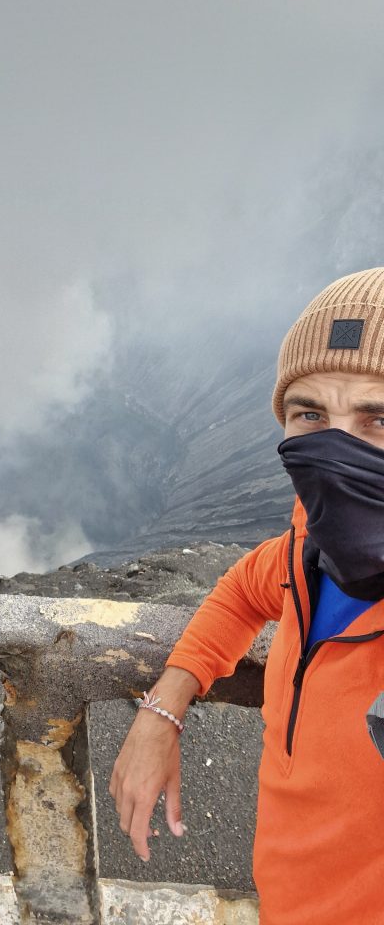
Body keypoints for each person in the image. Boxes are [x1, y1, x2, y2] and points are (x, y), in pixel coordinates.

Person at [110, 267, 384, 925]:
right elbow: (240, 593)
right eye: (309, 414)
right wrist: (164, 709)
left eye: (378, 417)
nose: (336, 445)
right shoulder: (300, 553)